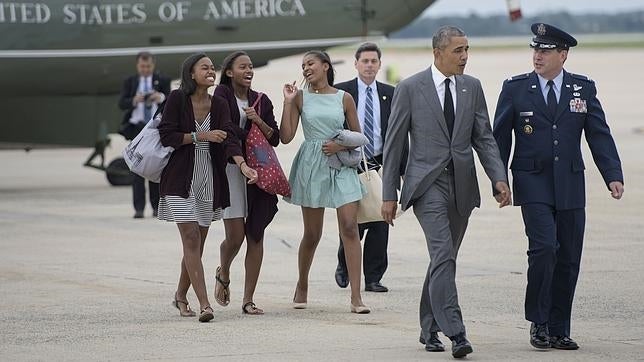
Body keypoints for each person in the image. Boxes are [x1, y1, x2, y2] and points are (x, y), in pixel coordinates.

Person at [381, 26, 511, 358]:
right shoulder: (410, 87)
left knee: (444, 258)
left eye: (467, 49)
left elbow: (483, 137)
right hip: (426, 185)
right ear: (438, 52)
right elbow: (394, 144)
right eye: (458, 50)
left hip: (463, 186)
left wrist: (498, 177)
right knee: (443, 255)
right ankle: (456, 331)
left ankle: (428, 329)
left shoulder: (472, 87)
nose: (465, 56)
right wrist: (388, 194)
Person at [493, 23, 624, 350]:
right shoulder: (516, 89)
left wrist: (612, 174)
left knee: (568, 256)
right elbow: (499, 139)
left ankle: (559, 327)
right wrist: (499, 179)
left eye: (545, 51)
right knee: (544, 249)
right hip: (532, 181)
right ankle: (539, 322)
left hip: (569, 183)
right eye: (535, 49)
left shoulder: (583, 89)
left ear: (562, 55)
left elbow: (599, 134)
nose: (537, 55)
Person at [157, 53, 258, 322]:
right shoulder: (177, 99)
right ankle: (205, 305)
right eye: (205, 67)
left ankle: (180, 294)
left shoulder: (219, 104)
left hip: (209, 182)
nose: (211, 71)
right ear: (191, 73)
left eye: (213, 68)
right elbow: (166, 135)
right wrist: (200, 136)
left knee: (197, 245)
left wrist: (242, 164)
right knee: (191, 239)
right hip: (180, 180)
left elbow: (229, 139)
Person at [280, 50, 370, 314]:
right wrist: (287, 102)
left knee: (350, 228)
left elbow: (359, 137)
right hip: (312, 164)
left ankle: (356, 297)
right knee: (312, 234)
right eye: (303, 65)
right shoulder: (299, 97)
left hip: (341, 163)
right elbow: (286, 137)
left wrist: (339, 144)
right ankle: (302, 284)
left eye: (311, 63)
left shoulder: (345, 98)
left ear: (325, 66)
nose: (306, 68)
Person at [334, 42, 406, 293]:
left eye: (373, 61)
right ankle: (344, 262)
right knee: (353, 221)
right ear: (355, 64)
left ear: (379, 64)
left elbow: (399, 135)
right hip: (350, 163)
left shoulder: (391, 93)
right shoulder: (342, 92)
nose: (369, 65)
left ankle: (373, 277)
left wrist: (403, 169)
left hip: (380, 164)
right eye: (364, 61)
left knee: (380, 219)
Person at [212, 51, 280, 315]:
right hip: (231, 169)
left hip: (260, 172)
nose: (249, 70)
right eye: (243, 67)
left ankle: (248, 299)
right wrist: (244, 149)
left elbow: (274, 138)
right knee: (236, 237)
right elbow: (227, 133)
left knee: (256, 234)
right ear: (229, 72)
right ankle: (224, 271)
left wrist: (257, 120)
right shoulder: (221, 96)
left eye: (251, 66)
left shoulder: (261, 100)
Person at [118, 51, 171, 218]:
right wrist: (134, 100)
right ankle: (138, 209)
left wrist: (160, 97)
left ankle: (156, 207)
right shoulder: (130, 81)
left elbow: (171, 100)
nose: (145, 69)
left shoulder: (163, 80)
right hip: (137, 128)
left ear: (153, 65)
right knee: (137, 169)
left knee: (154, 166)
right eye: (142, 66)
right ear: (137, 65)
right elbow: (121, 103)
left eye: (148, 66)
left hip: (154, 129)